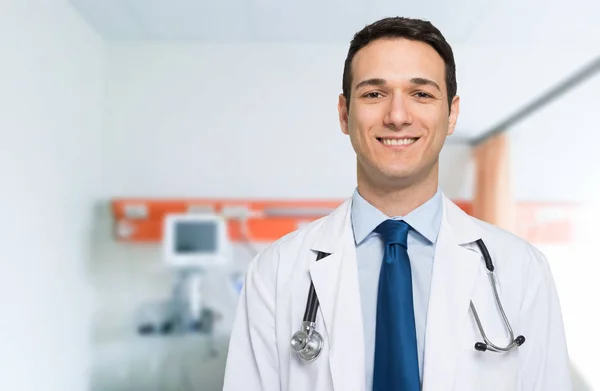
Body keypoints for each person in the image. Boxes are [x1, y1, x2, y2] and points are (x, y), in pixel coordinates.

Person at [222, 16, 572, 391]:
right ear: (344, 113)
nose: (397, 116)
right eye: (374, 94)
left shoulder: (522, 269)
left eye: (421, 94)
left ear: (451, 113)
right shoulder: (275, 273)